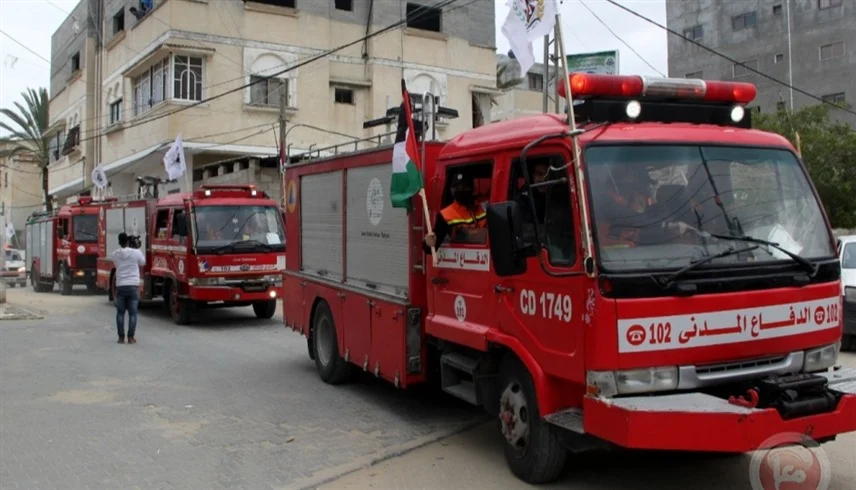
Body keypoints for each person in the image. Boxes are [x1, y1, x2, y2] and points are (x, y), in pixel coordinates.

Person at [423, 172, 487, 252]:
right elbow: (432, 246)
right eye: (457, 188)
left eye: (464, 187)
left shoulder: (482, 207)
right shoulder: (446, 215)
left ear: (472, 189)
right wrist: (428, 243)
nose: (461, 190)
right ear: (452, 191)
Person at [113, 232, 146, 344]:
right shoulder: (136, 252)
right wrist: (137, 248)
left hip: (121, 286)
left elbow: (117, 263)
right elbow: (143, 262)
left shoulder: (115, 254)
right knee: (133, 313)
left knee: (120, 313)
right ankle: (131, 337)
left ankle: (121, 337)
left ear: (119, 242)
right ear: (128, 241)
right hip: (133, 286)